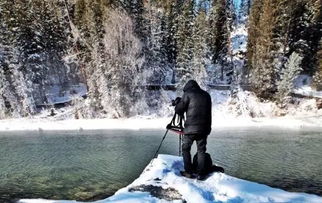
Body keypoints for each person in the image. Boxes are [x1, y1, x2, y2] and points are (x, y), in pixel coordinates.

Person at [174, 80, 212, 180]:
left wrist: (178, 103)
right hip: (204, 129)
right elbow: (208, 113)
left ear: (187, 88)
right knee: (201, 150)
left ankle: (188, 171)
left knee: (186, 149)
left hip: (190, 129)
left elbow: (179, 110)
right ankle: (200, 173)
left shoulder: (187, 94)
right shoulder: (206, 95)